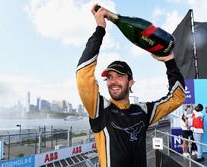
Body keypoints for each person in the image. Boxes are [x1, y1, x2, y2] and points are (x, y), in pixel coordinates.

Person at [76, 4, 185, 167]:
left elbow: (177, 97)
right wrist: (100, 30)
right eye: (109, 77)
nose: (113, 81)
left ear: (131, 82)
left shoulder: (143, 111)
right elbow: (83, 77)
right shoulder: (100, 110)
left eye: (119, 76)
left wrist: (170, 62)